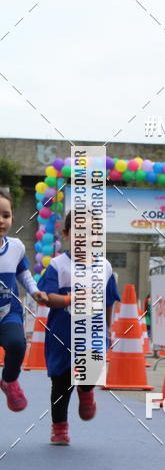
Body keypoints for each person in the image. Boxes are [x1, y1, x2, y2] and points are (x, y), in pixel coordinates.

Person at [37, 211, 120, 444]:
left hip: (93, 332)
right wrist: (69, 299)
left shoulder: (104, 267)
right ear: (66, 234)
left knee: (91, 367)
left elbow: (109, 300)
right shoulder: (58, 265)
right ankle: (59, 427)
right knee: (62, 383)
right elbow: (45, 296)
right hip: (62, 334)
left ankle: (86, 391)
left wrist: (108, 328)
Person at [0, 190, 48, 410]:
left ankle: (9, 381)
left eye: (6, 215)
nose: (1, 220)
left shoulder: (16, 246)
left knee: (18, 344)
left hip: (8, 311)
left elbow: (23, 273)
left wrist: (34, 290)